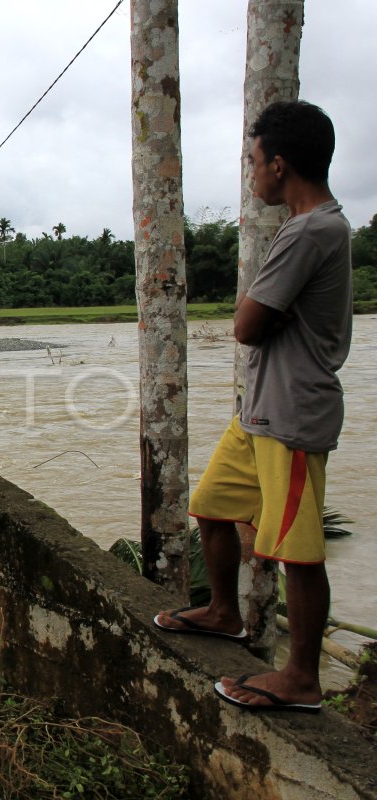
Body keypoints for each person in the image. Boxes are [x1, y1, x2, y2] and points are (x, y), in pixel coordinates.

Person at [153, 100, 353, 713]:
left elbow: (245, 325)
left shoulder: (310, 230)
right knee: (211, 507)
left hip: (292, 416)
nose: (252, 173)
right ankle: (221, 611)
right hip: (261, 411)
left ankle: (301, 679)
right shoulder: (315, 227)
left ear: (280, 163)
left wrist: (259, 309)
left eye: (254, 161)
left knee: (298, 549)